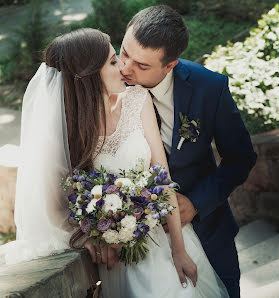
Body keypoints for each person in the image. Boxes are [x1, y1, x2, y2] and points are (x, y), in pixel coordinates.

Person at [0, 28, 229, 297]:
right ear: (86, 76)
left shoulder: (137, 100)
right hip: (118, 259)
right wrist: (91, 235)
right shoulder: (66, 133)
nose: (122, 66)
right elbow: (53, 205)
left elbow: (162, 178)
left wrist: (179, 249)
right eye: (111, 61)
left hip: (163, 241)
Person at [117, 5, 257, 298]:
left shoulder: (210, 88)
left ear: (170, 66)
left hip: (207, 227)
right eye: (125, 52)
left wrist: (196, 203)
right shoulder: (110, 84)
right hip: (140, 241)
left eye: (142, 66)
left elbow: (241, 157)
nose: (125, 68)